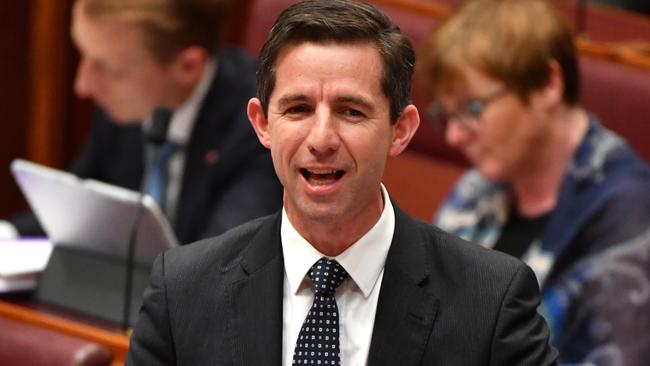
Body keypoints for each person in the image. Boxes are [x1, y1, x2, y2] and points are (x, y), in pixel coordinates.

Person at [127, 0, 557, 364]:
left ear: (400, 129)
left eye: (351, 111)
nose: (321, 139)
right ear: (262, 124)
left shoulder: (491, 302)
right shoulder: (182, 292)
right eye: (297, 109)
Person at [419, 0, 650, 362]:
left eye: (473, 109)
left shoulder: (628, 217)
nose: (454, 136)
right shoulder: (477, 190)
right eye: (446, 116)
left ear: (546, 84)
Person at [4, 0, 282, 244]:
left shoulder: (260, 125)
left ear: (187, 66)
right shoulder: (123, 106)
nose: (83, 86)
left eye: (109, 68)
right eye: (84, 57)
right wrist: (7, 232)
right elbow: (74, 211)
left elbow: (225, 265)